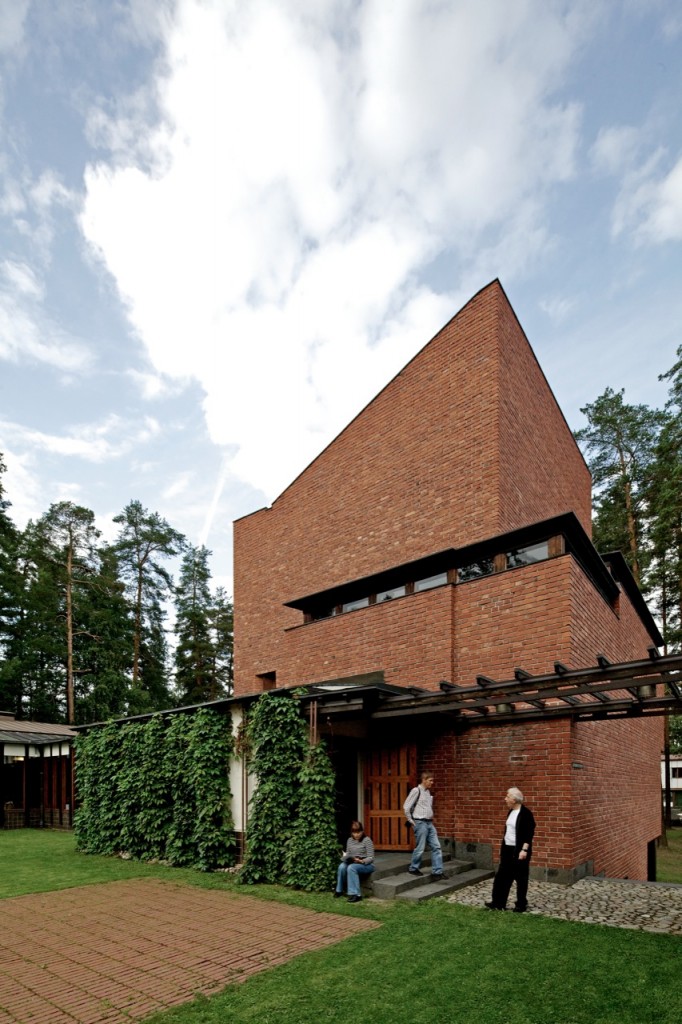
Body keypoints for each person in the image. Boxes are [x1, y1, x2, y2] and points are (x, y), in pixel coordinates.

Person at [485, 786, 536, 912]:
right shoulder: (511, 812)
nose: (505, 799)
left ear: (514, 799)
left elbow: (528, 834)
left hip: (519, 850)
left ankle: (521, 904)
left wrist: (524, 850)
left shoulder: (526, 814)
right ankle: (498, 903)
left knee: (521, 878)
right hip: (507, 850)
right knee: (501, 877)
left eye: (507, 797)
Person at [403, 772, 445, 880]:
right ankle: (413, 868)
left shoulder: (427, 792)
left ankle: (437, 872)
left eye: (432, 780)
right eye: (430, 780)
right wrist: (411, 821)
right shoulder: (416, 791)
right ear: (424, 780)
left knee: (436, 846)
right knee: (420, 847)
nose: (432, 782)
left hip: (429, 823)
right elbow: (406, 806)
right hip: (420, 822)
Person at [335, 820, 375, 903]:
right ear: (351, 832)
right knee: (342, 866)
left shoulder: (367, 840)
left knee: (351, 868)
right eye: (354, 832)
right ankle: (339, 890)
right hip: (353, 861)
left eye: (358, 832)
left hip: (366, 865)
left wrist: (361, 861)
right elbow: (348, 853)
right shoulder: (349, 840)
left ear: (362, 831)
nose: (356, 835)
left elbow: (371, 857)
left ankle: (356, 895)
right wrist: (344, 857)